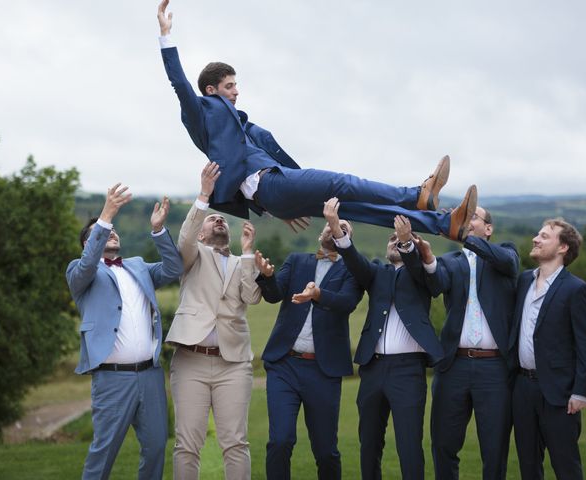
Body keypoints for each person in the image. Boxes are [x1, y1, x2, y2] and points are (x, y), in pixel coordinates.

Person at [156, 0, 477, 241]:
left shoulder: (241, 125)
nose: (237, 92)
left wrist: (277, 206)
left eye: (237, 85)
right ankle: (415, 194)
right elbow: (180, 85)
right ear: (211, 90)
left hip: (279, 191)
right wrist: (166, 37)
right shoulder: (201, 115)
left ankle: (444, 225)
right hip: (272, 185)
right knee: (343, 183)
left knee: (354, 207)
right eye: (229, 86)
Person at [66, 184, 183, 480]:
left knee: (156, 448)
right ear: (87, 244)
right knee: (104, 451)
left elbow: (172, 269)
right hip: (112, 377)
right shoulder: (80, 273)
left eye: (112, 230)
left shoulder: (138, 266)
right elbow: (88, 261)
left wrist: (158, 231)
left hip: (151, 374)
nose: (111, 232)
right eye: (103, 232)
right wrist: (105, 216)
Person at [323, 197, 444, 480]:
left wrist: (408, 244)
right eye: (391, 240)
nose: (394, 242)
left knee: (409, 444)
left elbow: (427, 275)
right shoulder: (377, 273)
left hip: (408, 371)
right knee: (370, 443)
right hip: (373, 368)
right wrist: (334, 227)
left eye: (399, 240)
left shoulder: (422, 276)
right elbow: (353, 259)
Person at [166, 162, 262, 479]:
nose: (219, 220)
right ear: (203, 232)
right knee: (187, 444)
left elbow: (251, 297)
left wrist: (248, 254)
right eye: (212, 220)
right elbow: (185, 239)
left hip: (233, 363)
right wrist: (205, 197)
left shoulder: (240, 261)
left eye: (222, 219)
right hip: (190, 360)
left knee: (235, 443)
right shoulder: (192, 256)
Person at [253, 219, 363, 480]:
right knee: (280, 440)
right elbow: (274, 294)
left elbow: (347, 302)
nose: (333, 228)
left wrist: (318, 295)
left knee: (325, 451)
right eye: (330, 224)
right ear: (320, 232)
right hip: (284, 365)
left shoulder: (353, 269)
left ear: (347, 241)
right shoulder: (297, 260)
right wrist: (266, 277)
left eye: (342, 228)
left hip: (323, 371)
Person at [422, 207, 519, 480]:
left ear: (488, 229)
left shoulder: (506, 254)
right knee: (443, 444)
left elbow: (509, 263)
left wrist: (465, 236)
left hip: (495, 369)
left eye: (473, 217)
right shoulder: (450, 261)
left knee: (494, 447)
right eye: (464, 217)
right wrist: (428, 258)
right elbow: (435, 284)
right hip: (454, 366)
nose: (467, 221)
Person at [509, 218, 586, 480]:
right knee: (528, 466)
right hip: (523, 388)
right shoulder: (524, 280)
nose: (536, 239)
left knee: (565, 466)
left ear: (563, 248)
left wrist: (581, 391)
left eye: (545, 236)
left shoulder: (576, 289)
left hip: (559, 392)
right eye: (538, 234)